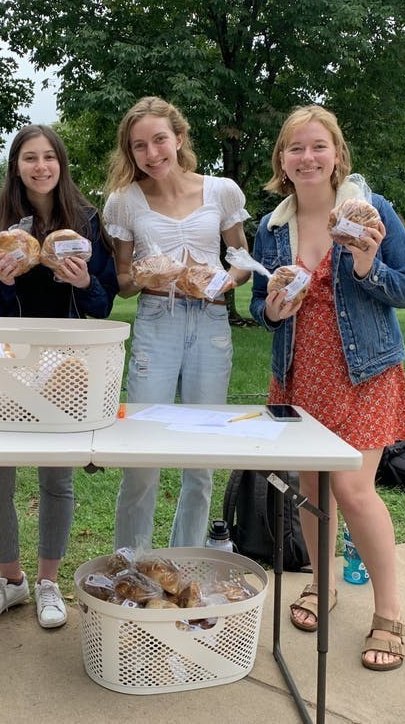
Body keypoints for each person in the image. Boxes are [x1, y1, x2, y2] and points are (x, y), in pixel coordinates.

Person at [248, 104, 405, 671]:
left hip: (364, 370)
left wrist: (368, 264)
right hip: (299, 372)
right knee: (312, 487)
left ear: (337, 154)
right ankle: (322, 585)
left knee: (352, 489)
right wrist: (273, 309)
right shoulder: (272, 228)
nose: (307, 157)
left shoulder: (371, 211)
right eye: (295, 148)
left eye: (318, 146)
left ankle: (389, 611)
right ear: (282, 160)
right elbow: (260, 303)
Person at [0, 125, 118, 628]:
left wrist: (85, 281)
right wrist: (1, 283)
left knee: (56, 476)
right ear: (16, 166)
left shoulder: (86, 225)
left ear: (61, 164)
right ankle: (10, 581)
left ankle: (49, 582)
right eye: (30, 157)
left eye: (50, 156)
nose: (41, 166)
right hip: (1, 362)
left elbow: (103, 303)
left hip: (65, 363)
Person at [104, 96, 252, 550]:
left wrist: (225, 280)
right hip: (157, 322)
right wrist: (147, 276)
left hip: (210, 322)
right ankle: (131, 563)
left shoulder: (221, 191)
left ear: (179, 138)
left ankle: (186, 560)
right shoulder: (124, 201)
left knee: (201, 456)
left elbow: (241, 260)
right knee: (142, 453)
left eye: (160, 140)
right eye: (139, 146)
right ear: (130, 152)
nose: (152, 154)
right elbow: (122, 283)